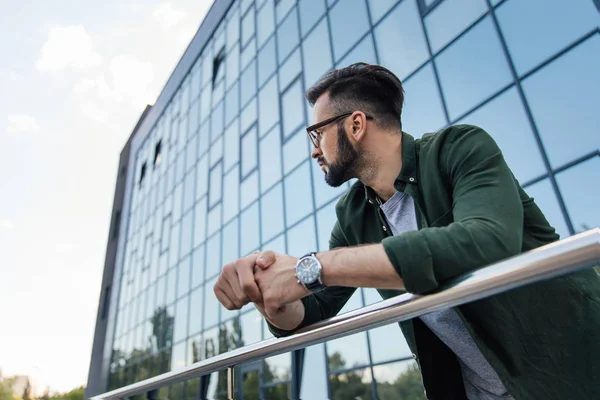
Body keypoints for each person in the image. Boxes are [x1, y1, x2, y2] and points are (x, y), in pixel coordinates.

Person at [213, 63, 600, 400]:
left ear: (356, 124)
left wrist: (308, 269)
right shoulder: (353, 215)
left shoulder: (459, 149)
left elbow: (487, 242)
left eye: (317, 134)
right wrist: (269, 293)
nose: (314, 151)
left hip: (575, 376)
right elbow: (311, 312)